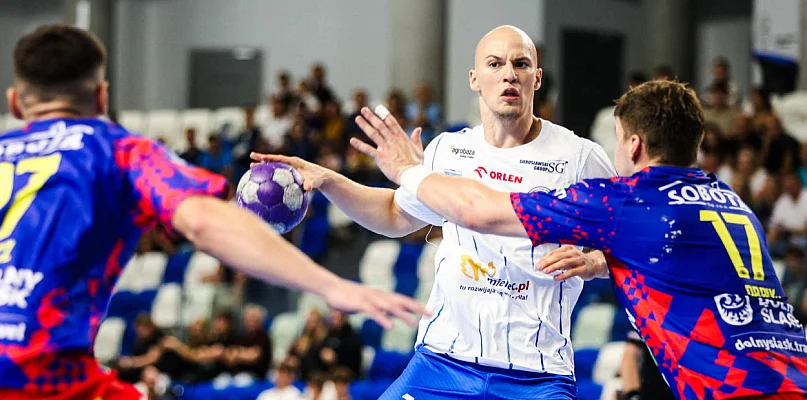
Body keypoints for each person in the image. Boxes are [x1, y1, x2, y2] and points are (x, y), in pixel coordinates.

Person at [0, 25, 426, 400]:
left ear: (16, 102)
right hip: (45, 379)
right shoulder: (120, 152)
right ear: (101, 95)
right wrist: (329, 285)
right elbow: (204, 221)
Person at [353, 78, 807, 399]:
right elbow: (680, 262)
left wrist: (408, 171)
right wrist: (598, 263)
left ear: (632, 146)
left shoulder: (627, 202)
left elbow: (480, 213)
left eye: (616, 139)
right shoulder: (726, 199)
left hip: (734, 390)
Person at [254, 25, 615, 399]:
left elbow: (630, 245)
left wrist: (595, 264)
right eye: (495, 64)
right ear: (475, 79)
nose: (508, 73)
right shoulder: (447, 150)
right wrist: (329, 180)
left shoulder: (580, 158)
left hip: (536, 376)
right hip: (442, 364)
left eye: (521, 64)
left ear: (536, 79)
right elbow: (394, 214)